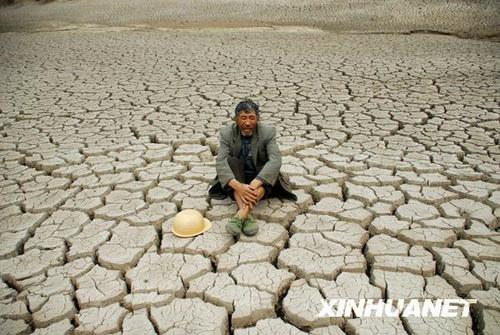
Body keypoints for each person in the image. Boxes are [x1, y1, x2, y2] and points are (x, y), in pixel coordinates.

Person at [208, 99, 297, 237]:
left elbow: (275, 160)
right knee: (231, 162)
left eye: (252, 118)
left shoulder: (268, 132)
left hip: (260, 178)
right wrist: (238, 186)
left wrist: (254, 184)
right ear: (236, 119)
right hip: (238, 176)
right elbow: (220, 162)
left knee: (268, 169)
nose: (248, 123)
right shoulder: (227, 133)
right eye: (243, 118)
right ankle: (246, 215)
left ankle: (241, 214)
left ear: (258, 118)